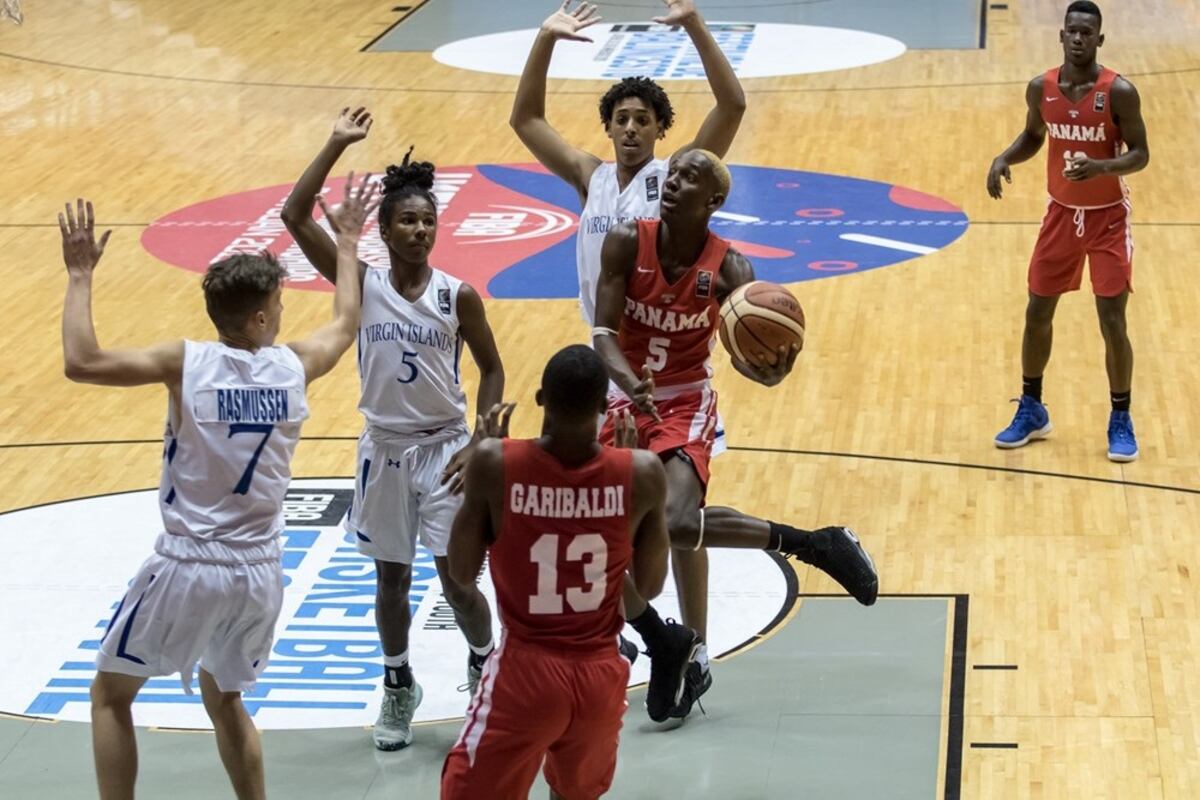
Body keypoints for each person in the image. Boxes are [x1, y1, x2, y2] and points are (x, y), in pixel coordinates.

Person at [68, 174, 376, 800]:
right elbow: (346, 322)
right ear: (262, 318)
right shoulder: (294, 366)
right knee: (226, 697)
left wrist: (79, 275)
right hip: (262, 571)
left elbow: (83, 361)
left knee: (108, 695)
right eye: (282, 307)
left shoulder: (185, 364)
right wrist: (345, 240)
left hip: (190, 567)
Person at [510, 0, 746, 714]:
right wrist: (545, 40)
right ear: (609, 126)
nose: (634, 128)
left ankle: (695, 643)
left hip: (670, 368)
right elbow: (525, 120)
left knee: (680, 516)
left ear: (662, 131)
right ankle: (635, 628)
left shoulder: (678, 179)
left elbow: (732, 104)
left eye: (646, 119)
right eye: (624, 118)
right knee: (612, 515)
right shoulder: (592, 177)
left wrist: (696, 27)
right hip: (612, 357)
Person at [593, 149, 879, 720]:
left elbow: (746, 354)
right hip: (625, 395)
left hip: (684, 402)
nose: (674, 183)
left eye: (690, 178)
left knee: (677, 522)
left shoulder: (732, 271)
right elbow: (602, 334)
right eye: (672, 175)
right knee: (595, 538)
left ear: (715, 201)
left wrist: (770, 368)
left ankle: (810, 546)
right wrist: (630, 383)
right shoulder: (627, 238)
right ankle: (665, 639)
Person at [281, 110, 506, 750]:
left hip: (446, 450)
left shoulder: (457, 295)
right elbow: (296, 216)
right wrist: (332, 144)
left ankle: (483, 659)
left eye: (428, 220)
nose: (419, 229)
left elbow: (492, 370)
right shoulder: (361, 281)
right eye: (407, 219)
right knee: (392, 579)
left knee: (458, 579)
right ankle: (398, 681)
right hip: (384, 449)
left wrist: (482, 439)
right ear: (382, 228)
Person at [441, 345, 671, 800]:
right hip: (600, 676)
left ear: (541, 398)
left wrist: (485, 483)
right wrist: (628, 487)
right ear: (606, 407)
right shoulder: (642, 472)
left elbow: (462, 572)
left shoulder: (495, 463)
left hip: (526, 671)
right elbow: (649, 585)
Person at [987, 0, 1149, 462]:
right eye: (1072, 31)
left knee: (1112, 320)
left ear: (1100, 40)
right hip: (1060, 215)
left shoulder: (1119, 91)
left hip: (1108, 219)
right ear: (1061, 36)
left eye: (1087, 33)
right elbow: (1035, 136)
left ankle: (1120, 416)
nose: (1078, 39)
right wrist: (1004, 157)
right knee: (1037, 311)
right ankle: (1032, 407)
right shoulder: (1041, 87)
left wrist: (1101, 166)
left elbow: (1140, 153)